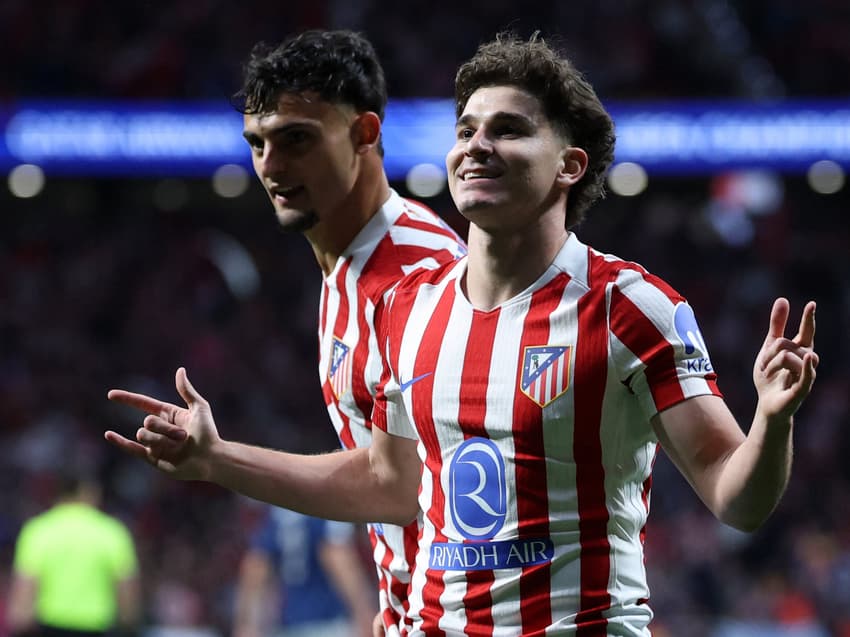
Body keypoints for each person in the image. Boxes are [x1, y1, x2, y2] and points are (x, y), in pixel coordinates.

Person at [105, 32, 819, 635]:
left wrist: (773, 421)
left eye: (507, 129)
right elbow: (391, 478)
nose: (477, 145)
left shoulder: (629, 307)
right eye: (466, 130)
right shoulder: (409, 307)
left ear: (569, 165)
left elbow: (737, 498)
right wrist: (218, 460)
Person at [112, 29, 466, 636]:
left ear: (365, 133)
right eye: (258, 143)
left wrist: (219, 460)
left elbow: (396, 485)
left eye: (297, 139)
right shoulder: (349, 265)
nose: (270, 167)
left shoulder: (414, 278)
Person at [7, 470, 140, 637]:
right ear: (89, 492)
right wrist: (129, 624)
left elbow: (26, 585)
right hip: (96, 628)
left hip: (49, 628)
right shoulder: (112, 532)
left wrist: (19, 624)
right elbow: (126, 588)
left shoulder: (39, 530)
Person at [233, 507, 376, 637]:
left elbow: (256, 567)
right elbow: (335, 556)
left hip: (288, 625)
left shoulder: (276, 513)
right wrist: (363, 610)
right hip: (328, 623)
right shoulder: (325, 507)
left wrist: (246, 623)